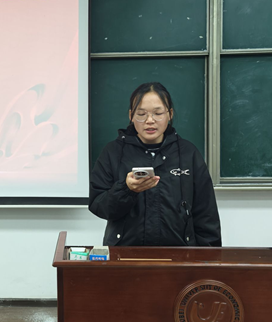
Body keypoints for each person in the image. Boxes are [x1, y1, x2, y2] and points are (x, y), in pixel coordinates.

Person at [89, 82, 221, 247]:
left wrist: (209, 258)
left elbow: (206, 214)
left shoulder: (188, 153)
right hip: (124, 254)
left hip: (180, 254)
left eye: (158, 113)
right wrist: (126, 190)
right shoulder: (113, 152)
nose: (150, 120)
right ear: (131, 116)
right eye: (141, 114)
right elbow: (98, 206)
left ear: (170, 114)